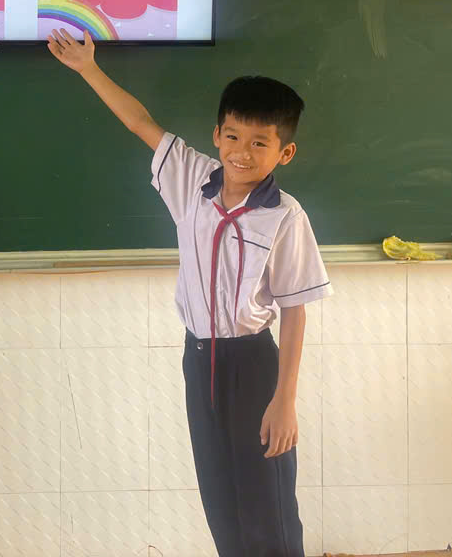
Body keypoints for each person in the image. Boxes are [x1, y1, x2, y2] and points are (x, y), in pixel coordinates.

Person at [46, 30, 331, 557]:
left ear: (285, 152)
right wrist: (88, 68)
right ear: (217, 135)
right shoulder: (192, 180)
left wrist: (284, 401)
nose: (242, 152)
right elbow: (139, 122)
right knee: (220, 497)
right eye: (233, 136)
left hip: (253, 365)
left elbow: (295, 312)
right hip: (199, 360)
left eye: (260, 143)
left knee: (266, 502)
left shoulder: (285, 216)